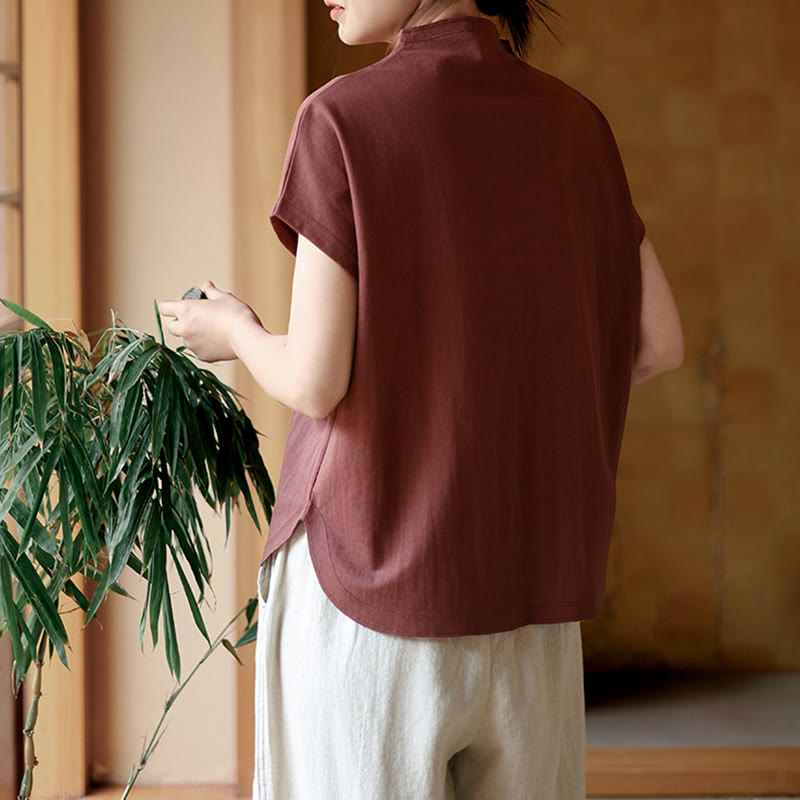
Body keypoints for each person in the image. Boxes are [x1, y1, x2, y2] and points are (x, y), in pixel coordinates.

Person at [159, 0, 683, 797]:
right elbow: (657, 343)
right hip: (533, 607)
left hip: (366, 585)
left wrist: (233, 328)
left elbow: (313, 380)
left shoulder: (342, 117)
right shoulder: (578, 126)